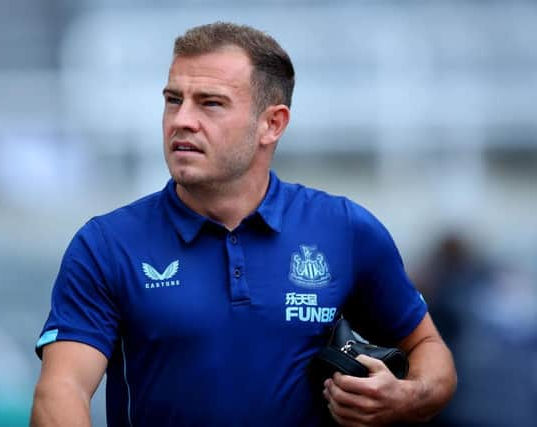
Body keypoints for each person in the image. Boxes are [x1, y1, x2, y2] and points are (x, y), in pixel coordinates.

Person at [30, 22, 456, 427]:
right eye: (173, 100)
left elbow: (428, 350)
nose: (182, 120)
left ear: (272, 124)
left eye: (210, 103)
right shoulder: (107, 244)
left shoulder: (344, 229)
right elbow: (61, 390)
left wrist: (403, 398)